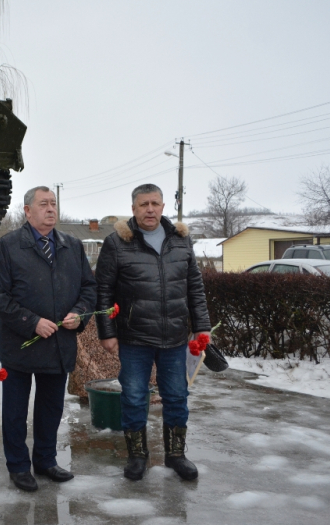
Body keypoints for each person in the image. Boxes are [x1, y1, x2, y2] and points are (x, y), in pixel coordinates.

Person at [95, 183, 210, 482]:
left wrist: (202, 327)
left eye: (155, 203)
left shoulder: (180, 241)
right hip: (134, 338)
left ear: (162, 207)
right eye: (144, 204)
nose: (150, 209)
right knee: (133, 397)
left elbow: (194, 287)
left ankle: (176, 454)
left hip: (173, 337)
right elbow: (104, 292)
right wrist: (107, 332)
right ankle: (137, 456)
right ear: (133, 209)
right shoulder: (117, 243)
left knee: (176, 396)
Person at [0, 186, 96, 492]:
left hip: (60, 344)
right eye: (43, 204)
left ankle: (46, 461)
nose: (50, 209)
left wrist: (80, 313)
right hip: (21, 345)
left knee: (51, 408)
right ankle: (19, 466)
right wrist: (31, 322)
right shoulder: (9, 246)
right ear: (28, 211)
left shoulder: (72, 245)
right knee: (16, 412)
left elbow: (89, 288)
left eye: (53, 204)